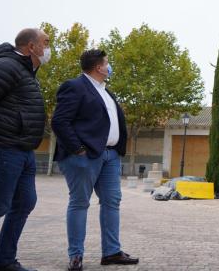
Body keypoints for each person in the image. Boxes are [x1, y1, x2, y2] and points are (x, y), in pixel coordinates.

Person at [51, 50, 138, 271]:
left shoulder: (105, 91)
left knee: (112, 202)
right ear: (98, 67)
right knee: (80, 202)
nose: (109, 67)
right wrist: (78, 149)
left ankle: (111, 252)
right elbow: (60, 122)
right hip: (85, 156)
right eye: (107, 63)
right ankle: (76, 256)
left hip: (110, 156)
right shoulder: (75, 86)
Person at [0, 28, 50, 271]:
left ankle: (5, 260)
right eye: (45, 42)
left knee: (24, 202)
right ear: (31, 47)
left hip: (23, 149)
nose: (48, 48)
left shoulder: (27, 72)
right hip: (3, 146)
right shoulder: (6, 66)